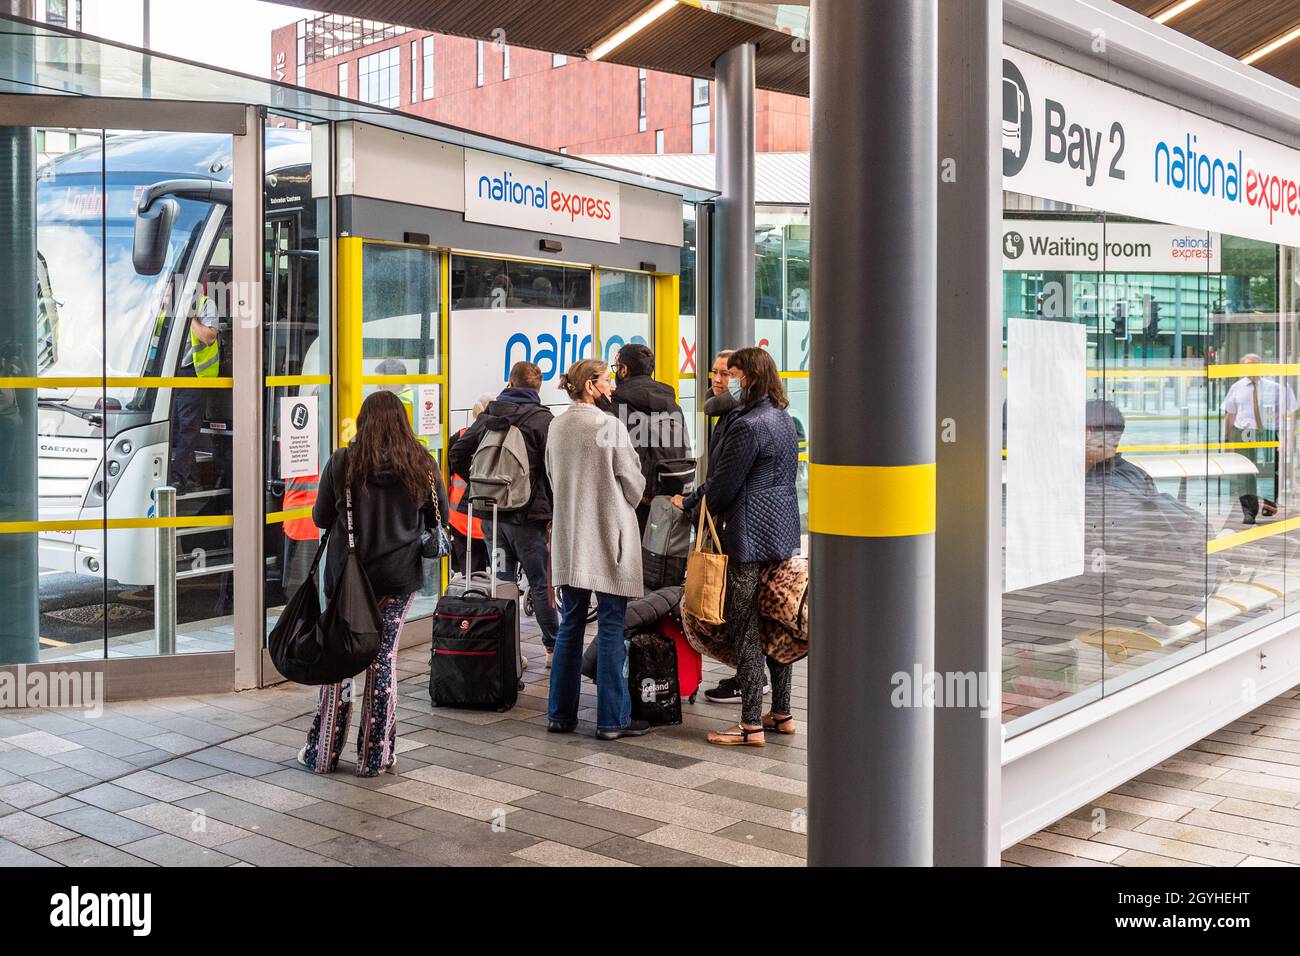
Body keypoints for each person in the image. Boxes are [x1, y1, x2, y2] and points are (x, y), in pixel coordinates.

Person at [299, 389, 449, 777]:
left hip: (348, 580)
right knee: (383, 662)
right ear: (403, 422)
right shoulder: (422, 464)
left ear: (363, 421)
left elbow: (319, 518)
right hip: (398, 580)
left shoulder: (342, 462)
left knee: (341, 661)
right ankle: (376, 756)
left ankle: (323, 754)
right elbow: (438, 519)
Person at [673, 347, 799, 746]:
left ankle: (749, 725)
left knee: (746, 624)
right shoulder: (781, 418)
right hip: (780, 530)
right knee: (776, 620)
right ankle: (781, 712)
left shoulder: (747, 425)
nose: (729, 380)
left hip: (747, 535)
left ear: (749, 378)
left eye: (736, 374)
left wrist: (692, 511)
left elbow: (724, 488)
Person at [545, 357, 651, 740]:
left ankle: (560, 715)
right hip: (610, 540)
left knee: (570, 625)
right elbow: (634, 485)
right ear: (590, 385)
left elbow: (554, 479)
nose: (613, 387)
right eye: (607, 381)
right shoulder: (610, 426)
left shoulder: (556, 427)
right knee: (610, 626)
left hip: (572, 542)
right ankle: (611, 720)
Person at [448, 361, 560, 667]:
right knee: (540, 582)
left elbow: (457, 453)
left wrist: (483, 485)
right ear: (537, 388)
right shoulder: (544, 420)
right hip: (530, 519)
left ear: (509, 384)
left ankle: (508, 652)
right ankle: (553, 649)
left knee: (501, 583)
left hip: (492, 516)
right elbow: (554, 471)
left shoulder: (490, 415)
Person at [608, 342, 691, 534]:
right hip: (669, 493)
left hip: (633, 500)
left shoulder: (618, 406)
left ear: (624, 370)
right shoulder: (670, 401)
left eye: (616, 368)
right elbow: (685, 446)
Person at [1221, 353, 1297, 524]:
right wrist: (1225, 439)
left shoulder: (1275, 387)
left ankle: (1270, 503)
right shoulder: (1237, 388)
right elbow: (1230, 415)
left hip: (1269, 432)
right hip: (1244, 433)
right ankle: (1249, 511)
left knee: (1273, 470)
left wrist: (1287, 439)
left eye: (1255, 366)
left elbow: (1290, 412)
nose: (1252, 370)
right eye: (1248, 366)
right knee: (1245, 473)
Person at [168, 277, 220, 492]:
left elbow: (208, 336)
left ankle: (179, 478)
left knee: (187, 429)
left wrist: (187, 317)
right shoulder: (163, 307)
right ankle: (191, 477)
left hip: (193, 373)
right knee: (174, 427)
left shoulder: (205, 304)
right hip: (168, 372)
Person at [448, 392, 495, 575]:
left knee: (472, 575)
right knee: (499, 577)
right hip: (491, 517)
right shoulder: (502, 438)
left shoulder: (459, 436)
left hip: (461, 518)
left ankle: (474, 601)